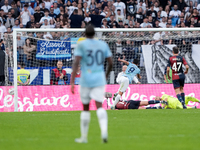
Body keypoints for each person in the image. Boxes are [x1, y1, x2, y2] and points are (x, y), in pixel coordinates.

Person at [71, 24, 113, 143]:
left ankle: (84, 137)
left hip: (86, 79)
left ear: (85, 34)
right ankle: (104, 132)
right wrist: (105, 75)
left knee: (85, 108)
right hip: (99, 78)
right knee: (99, 106)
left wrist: (72, 81)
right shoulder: (102, 44)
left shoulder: (82, 45)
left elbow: (76, 63)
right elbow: (110, 63)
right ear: (94, 33)